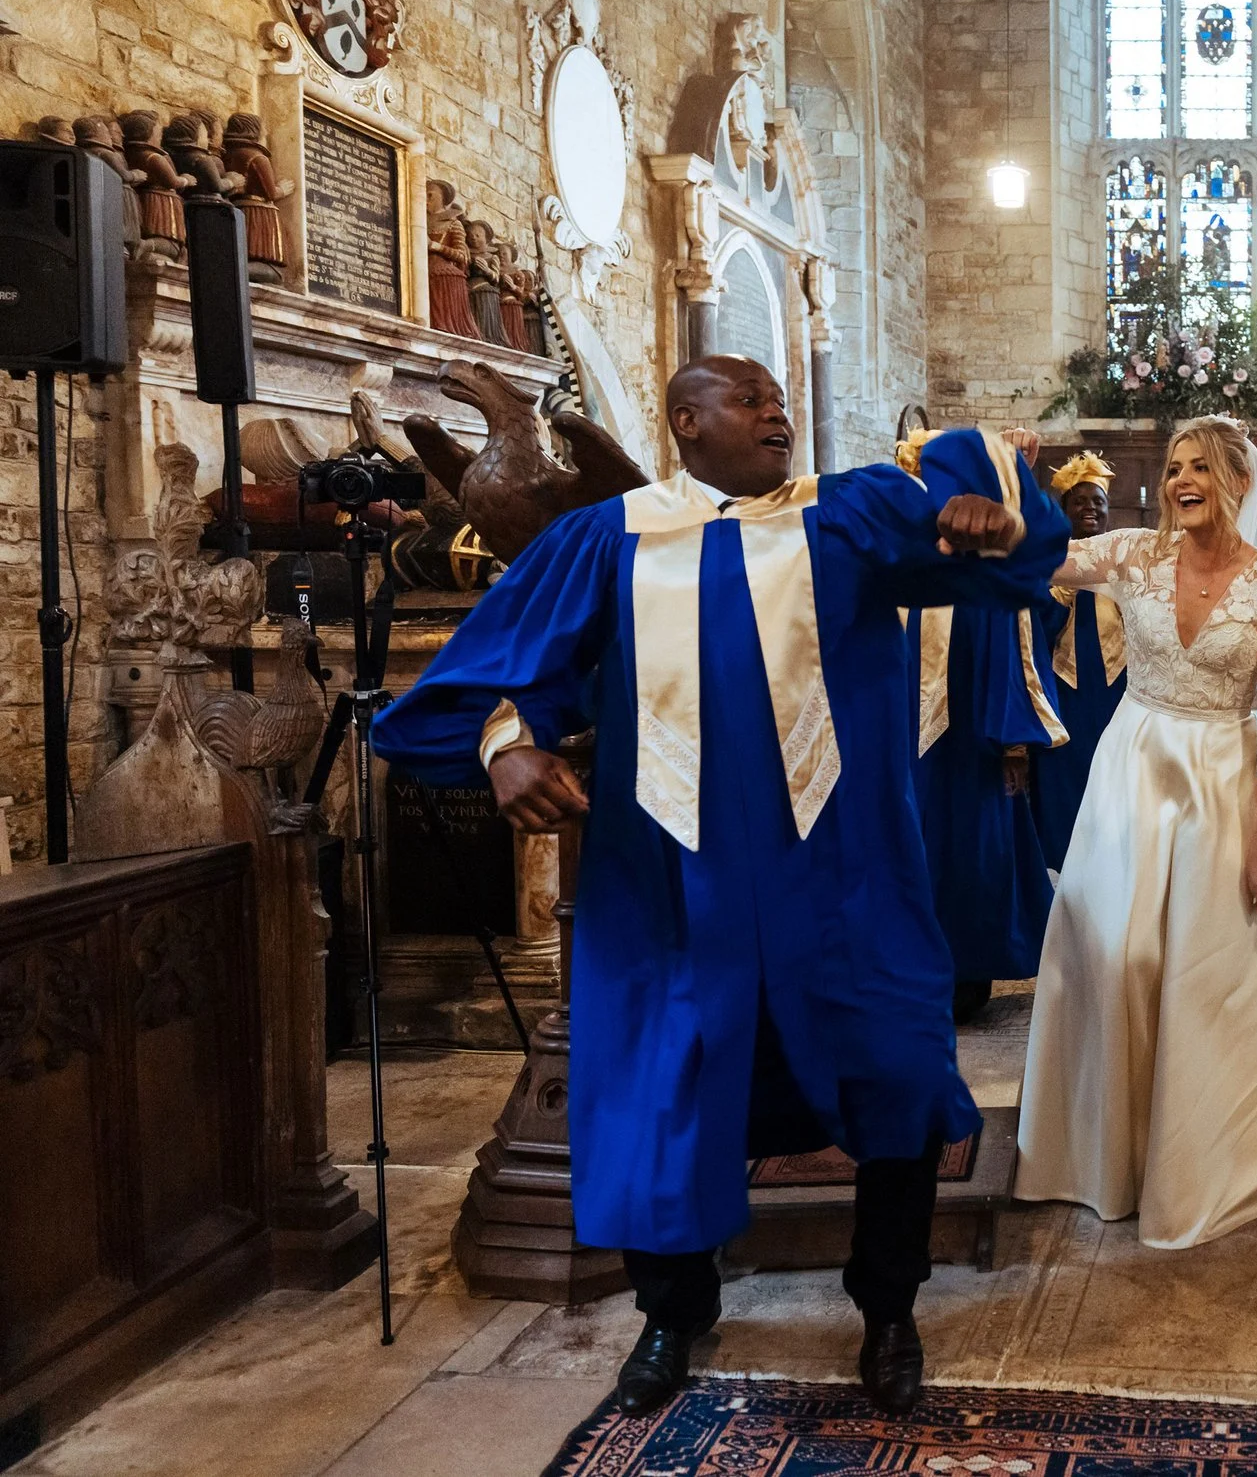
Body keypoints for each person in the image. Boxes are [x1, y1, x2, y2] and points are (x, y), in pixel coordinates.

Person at [370, 355, 1067, 1417]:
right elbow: (510, 666)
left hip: (845, 870)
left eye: (778, 400)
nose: (775, 412)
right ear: (685, 422)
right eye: (747, 400)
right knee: (666, 1090)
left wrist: (992, 520)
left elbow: (999, 560)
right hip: (667, 881)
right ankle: (673, 1310)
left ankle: (888, 1306)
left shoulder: (849, 516)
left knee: (895, 1073)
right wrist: (508, 743)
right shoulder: (610, 536)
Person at [1014, 417, 1257, 1247]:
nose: (1181, 480)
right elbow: (1039, 555)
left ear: (1238, 481)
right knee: (1116, 953)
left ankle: (1205, 1161)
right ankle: (1103, 1155)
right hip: (1134, 769)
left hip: (1223, 782)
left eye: (1201, 467)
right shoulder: (1134, 555)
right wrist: (1019, 478)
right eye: (1175, 467)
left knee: (1203, 974)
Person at [901, 448, 1067, 1021]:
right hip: (906, 740)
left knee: (972, 852)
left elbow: (1018, 651)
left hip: (975, 740)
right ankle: (914, 970)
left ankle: (967, 977)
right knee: (912, 849)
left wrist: (1014, 743)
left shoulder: (992, 566)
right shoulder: (902, 559)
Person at [1032, 453, 1128, 869]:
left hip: (1117, 687)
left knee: (1114, 778)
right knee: (1067, 778)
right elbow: (1035, 632)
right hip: (1064, 686)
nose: (1089, 508)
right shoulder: (1046, 559)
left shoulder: (1124, 557)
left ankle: (1112, 864)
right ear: (1065, 509)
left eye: (1097, 501)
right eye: (1079, 501)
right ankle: (1068, 866)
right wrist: (1063, 589)